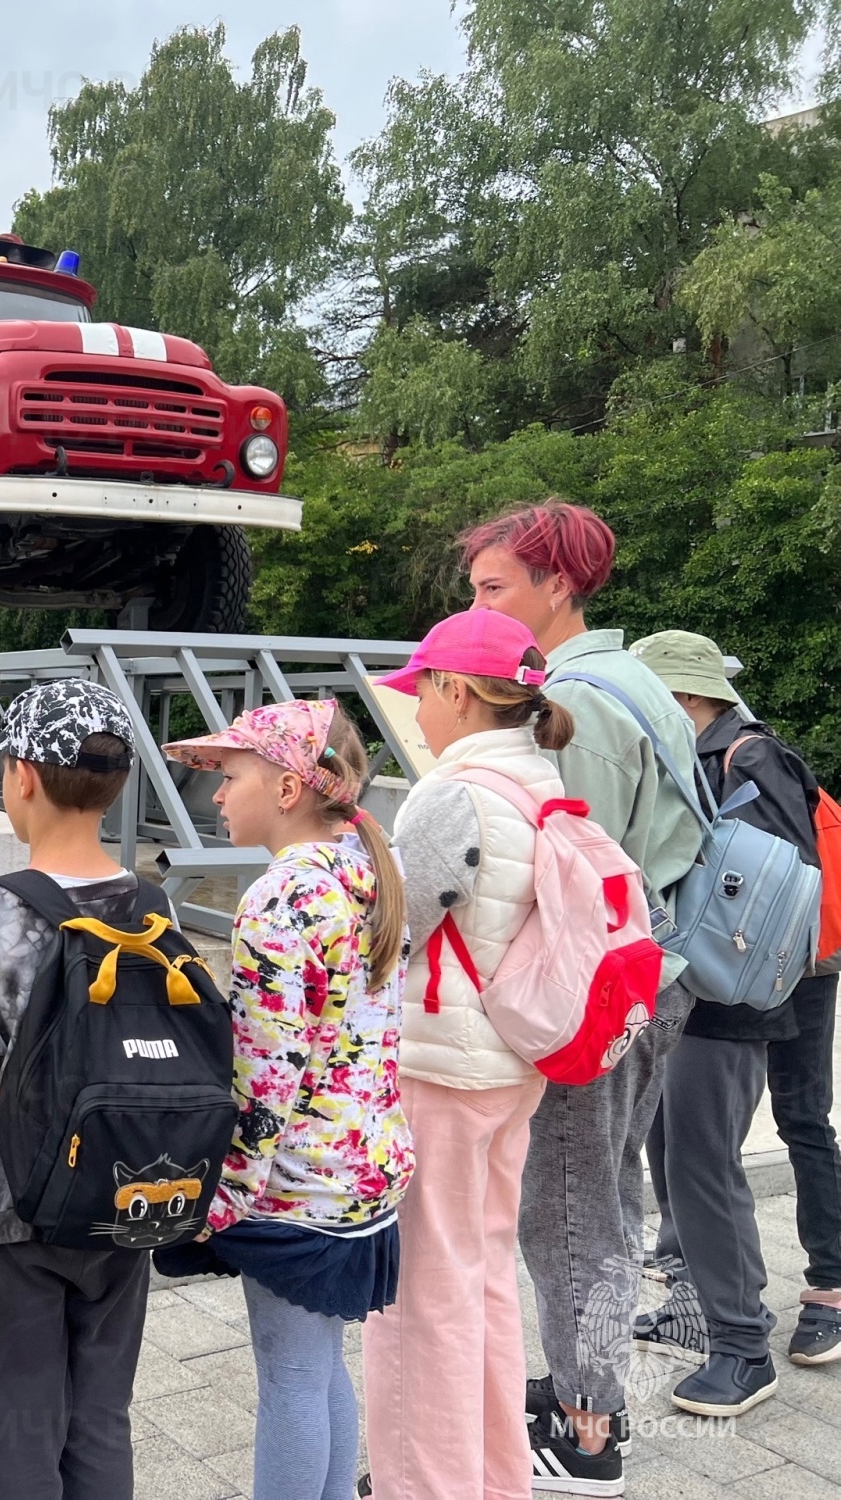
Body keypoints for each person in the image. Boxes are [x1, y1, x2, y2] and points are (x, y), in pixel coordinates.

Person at [463, 501, 705, 1492]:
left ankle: (584, 1431)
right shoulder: (632, 680)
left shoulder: (579, 703)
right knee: (600, 1196)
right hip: (652, 979)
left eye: (492, 588)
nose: (476, 606)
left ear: (555, 588)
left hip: (602, 993)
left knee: (565, 1214)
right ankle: (582, 1383)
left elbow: (571, 884)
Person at [164, 700, 411, 1500]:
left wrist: (225, 1197)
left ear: (287, 787)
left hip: (296, 1186)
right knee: (319, 1364)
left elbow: (267, 1075)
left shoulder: (279, 900)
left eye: (232, 776)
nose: (216, 796)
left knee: (292, 1378)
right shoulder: (364, 872)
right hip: (362, 1168)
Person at [362, 611, 576, 1500]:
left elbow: (386, 932)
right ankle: (493, 1480)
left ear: (458, 690)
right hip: (507, 1065)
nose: (418, 713)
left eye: (424, 693)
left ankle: (427, 1484)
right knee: (483, 1278)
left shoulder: (457, 792)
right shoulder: (538, 783)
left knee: (419, 1299)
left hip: (438, 1068)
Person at [0, 680, 157, 1500]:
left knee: (23, 1429)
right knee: (102, 1415)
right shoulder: (153, 909)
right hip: (128, 1195)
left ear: (22, 776)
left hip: (12, 1209)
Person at [632, 629, 835, 1410]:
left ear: (680, 696)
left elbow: (784, 884)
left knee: (702, 1165)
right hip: (685, 989)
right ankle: (699, 1312)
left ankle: (743, 1348)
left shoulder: (747, 757)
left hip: (722, 998)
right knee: (673, 1153)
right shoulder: (707, 754)